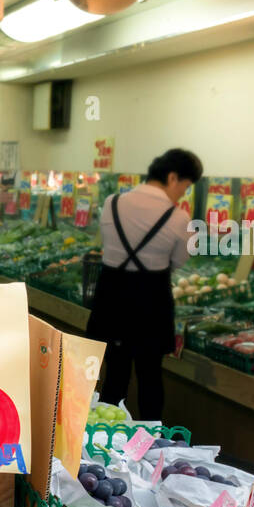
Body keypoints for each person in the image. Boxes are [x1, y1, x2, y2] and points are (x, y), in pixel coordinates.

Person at [86, 148, 203, 422]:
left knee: (114, 375)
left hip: (111, 298)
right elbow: (179, 261)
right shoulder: (179, 219)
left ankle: (104, 436)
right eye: (185, 187)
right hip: (151, 302)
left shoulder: (111, 203)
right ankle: (150, 442)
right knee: (150, 376)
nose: (183, 194)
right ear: (173, 178)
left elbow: (108, 246)